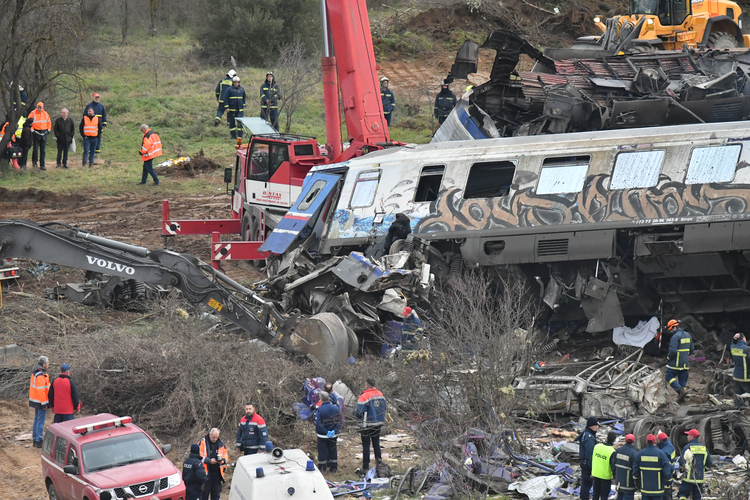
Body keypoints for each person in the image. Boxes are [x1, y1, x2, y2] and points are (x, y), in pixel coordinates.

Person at [354, 379, 386, 473]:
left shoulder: (364, 396)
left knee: (366, 445)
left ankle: (365, 466)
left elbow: (358, 412)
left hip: (366, 424)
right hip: (378, 423)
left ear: (367, 385)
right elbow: (384, 407)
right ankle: (379, 464)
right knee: (376, 444)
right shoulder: (380, 394)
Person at [633, 434, 671, 500]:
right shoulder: (661, 454)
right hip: (658, 490)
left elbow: (635, 470)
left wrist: (636, 480)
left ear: (646, 442)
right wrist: (669, 481)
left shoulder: (640, 454)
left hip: (645, 489)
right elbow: (666, 470)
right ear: (655, 442)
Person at [677, 429, 712, 500]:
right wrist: (702, 470)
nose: (687, 437)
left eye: (688, 435)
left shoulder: (687, 447)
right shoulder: (704, 448)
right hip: (700, 479)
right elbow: (709, 464)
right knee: (697, 497)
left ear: (692, 437)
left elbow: (682, 462)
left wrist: (680, 471)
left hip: (688, 479)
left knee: (682, 495)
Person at [665, 319, 693, 402]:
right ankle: (682, 399)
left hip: (676, 363)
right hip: (685, 363)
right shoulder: (688, 335)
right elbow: (692, 349)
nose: (671, 331)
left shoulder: (675, 337)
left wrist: (668, 358)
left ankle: (680, 390)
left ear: (673, 327)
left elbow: (673, 351)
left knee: (668, 376)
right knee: (683, 381)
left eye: (671, 329)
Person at [315, 391, 342, 473]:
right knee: (333, 451)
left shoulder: (319, 410)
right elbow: (340, 421)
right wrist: (334, 430)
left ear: (321, 399)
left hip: (322, 435)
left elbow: (318, 423)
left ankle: (322, 468)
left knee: (322, 451)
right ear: (329, 399)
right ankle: (333, 468)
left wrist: (325, 431)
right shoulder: (336, 408)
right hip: (333, 435)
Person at [198, 428, 229, 500]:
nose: (215, 439)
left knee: (216, 495)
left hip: (217, 474)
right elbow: (198, 457)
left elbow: (225, 455)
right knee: (204, 495)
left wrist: (223, 461)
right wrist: (209, 461)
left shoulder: (221, 443)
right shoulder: (202, 443)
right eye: (213, 437)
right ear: (210, 435)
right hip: (206, 474)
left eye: (216, 437)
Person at [575, 416, 599, 500]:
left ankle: (584, 497)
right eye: (596, 425)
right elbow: (590, 453)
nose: (597, 427)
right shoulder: (589, 437)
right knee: (587, 484)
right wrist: (592, 468)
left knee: (585, 484)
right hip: (587, 464)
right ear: (590, 426)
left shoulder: (586, 434)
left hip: (584, 462)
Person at [29, 355, 50, 448]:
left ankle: (35, 439)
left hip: (35, 400)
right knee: (40, 421)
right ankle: (39, 440)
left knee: (36, 420)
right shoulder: (41, 375)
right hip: (40, 401)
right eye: (48, 363)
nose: (48, 364)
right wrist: (45, 404)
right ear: (44, 364)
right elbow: (41, 391)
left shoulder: (35, 373)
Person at [591, 431, 616, 500]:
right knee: (604, 496)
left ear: (606, 437)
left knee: (595, 494)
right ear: (614, 440)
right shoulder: (612, 451)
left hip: (596, 474)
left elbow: (593, 458)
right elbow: (613, 466)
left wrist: (592, 471)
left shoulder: (597, 446)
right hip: (606, 477)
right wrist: (615, 476)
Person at [613, 434, 639, 500]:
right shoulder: (634, 453)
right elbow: (635, 470)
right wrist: (637, 482)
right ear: (634, 441)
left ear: (625, 440)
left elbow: (613, 465)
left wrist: (615, 476)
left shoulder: (618, 451)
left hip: (619, 483)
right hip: (629, 485)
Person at [28, 102, 51, 170]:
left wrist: (48, 130)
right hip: (36, 133)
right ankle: (34, 164)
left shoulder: (46, 114)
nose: (39, 108)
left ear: (43, 107)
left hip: (44, 133)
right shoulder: (33, 113)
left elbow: (49, 122)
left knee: (43, 150)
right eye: (38, 107)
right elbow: (28, 122)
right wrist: (32, 130)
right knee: (35, 149)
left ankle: (42, 165)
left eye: (40, 107)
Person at [731, 332, 750, 407]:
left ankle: (738, 409)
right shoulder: (747, 349)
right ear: (744, 339)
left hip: (736, 376)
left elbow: (732, 343)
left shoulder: (733, 348)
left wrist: (733, 339)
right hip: (746, 377)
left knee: (738, 395)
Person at [657, 432, 676, 500]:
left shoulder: (664, 452)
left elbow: (666, 466)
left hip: (666, 477)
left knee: (666, 496)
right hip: (671, 472)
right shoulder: (670, 446)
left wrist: (668, 479)